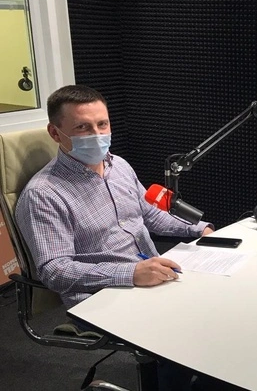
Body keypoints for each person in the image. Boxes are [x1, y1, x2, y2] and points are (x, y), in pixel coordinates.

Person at [15, 85, 228, 390]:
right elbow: (55, 271)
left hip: (152, 275)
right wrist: (130, 273)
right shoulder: (44, 195)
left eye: (102, 124)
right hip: (101, 295)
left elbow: (149, 214)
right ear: (55, 133)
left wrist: (200, 229)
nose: (97, 134)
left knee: (220, 311)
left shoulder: (119, 166)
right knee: (184, 333)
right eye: (83, 127)